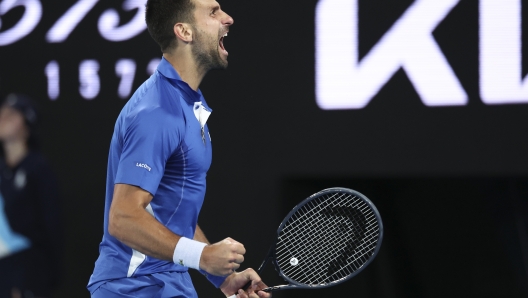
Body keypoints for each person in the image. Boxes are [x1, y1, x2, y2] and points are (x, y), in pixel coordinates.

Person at [87, 0, 271, 297]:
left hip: (166, 283)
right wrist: (202, 257)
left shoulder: (186, 104)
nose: (228, 18)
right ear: (184, 31)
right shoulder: (156, 112)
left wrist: (221, 278)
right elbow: (123, 218)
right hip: (134, 287)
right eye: (213, 12)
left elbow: (170, 212)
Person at [0, 94, 63, 298]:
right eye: (2, 113)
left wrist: (41, 278)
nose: (3, 117)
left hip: (26, 275)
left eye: (11, 115)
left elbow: (51, 226)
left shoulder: (38, 169)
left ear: (26, 126)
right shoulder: (2, 171)